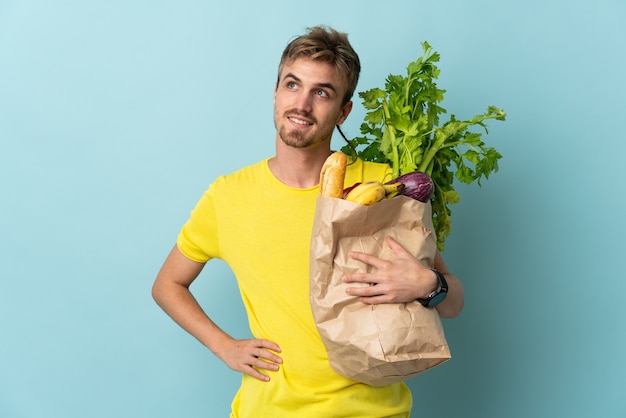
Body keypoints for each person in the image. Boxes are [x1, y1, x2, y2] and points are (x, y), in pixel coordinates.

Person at [152, 25, 464, 418]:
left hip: (373, 411)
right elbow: (167, 285)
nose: (302, 104)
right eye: (292, 85)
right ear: (275, 92)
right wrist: (224, 346)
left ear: (344, 111)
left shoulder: (384, 186)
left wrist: (427, 284)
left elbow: (454, 302)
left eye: (322, 92)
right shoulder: (228, 196)